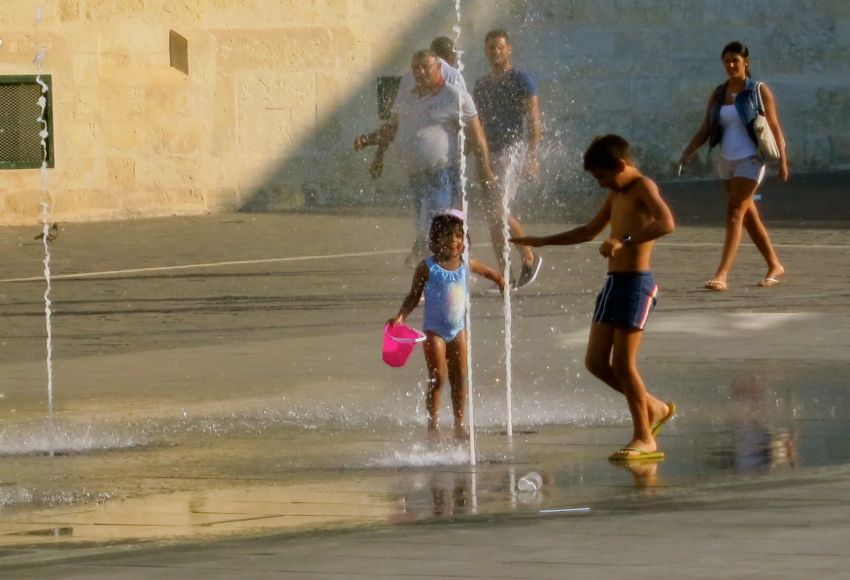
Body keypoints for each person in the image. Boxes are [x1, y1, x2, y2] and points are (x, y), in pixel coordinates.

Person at [510, 135, 676, 461]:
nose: (600, 184)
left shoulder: (643, 186)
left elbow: (667, 222)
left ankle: (645, 437)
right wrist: (540, 241)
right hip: (614, 283)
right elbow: (588, 232)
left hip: (636, 285)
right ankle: (654, 407)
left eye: (601, 176)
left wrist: (624, 241)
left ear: (620, 165)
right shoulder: (616, 194)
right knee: (596, 363)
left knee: (624, 364)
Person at [355, 49, 497, 267]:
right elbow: (392, 128)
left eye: (425, 67)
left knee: (433, 230)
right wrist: (370, 140)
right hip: (417, 177)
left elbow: (477, 136)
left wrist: (485, 168)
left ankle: (438, 278)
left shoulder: (454, 96)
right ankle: (451, 272)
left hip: (442, 175)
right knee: (428, 230)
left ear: (439, 67)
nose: (419, 72)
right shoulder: (408, 97)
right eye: (415, 67)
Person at [679, 41, 788, 291]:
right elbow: (706, 127)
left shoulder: (758, 90)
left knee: (734, 211)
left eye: (735, 61)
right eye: (726, 61)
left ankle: (722, 274)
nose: (730, 65)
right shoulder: (718, 93)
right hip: (725, 160)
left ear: (745, 62)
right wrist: (688, 150)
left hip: (751, 158)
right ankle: (774, 264)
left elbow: (774, 126)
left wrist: (783, 160)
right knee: (748, 215)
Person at [389, 210, 505, 440]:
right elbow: (413, 296)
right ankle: (433, 424)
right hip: (435, 332)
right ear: (435, 239)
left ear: (464, 240)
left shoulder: (466, 264)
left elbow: (491, 273)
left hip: (458, 330)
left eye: (458, 235)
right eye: (447, 235)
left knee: (460, 377)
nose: (453, 240)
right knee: (438, 378)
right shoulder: (427, 267)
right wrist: (400, 316)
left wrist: (502, 282)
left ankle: (459, 423)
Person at [473, 29, 543, 289]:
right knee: (493, 219)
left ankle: (529, 256)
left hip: (511, 152)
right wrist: (476, 152)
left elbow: (534, 118)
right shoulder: (481, 84)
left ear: (509, 49)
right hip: (487, 154)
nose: (495, 52)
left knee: (499, 211)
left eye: (500, 47)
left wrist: (533, 156)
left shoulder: (522, 80)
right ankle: (505, 277)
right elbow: (476, 121)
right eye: (491, 48)